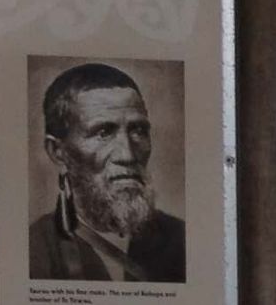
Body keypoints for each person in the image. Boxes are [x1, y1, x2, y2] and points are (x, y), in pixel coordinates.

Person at [28, 62, 186, 284]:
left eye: (138, 131)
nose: (128, 155)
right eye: (103, 133)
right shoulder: (35, 250)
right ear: (58, 152)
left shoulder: (182, 241)